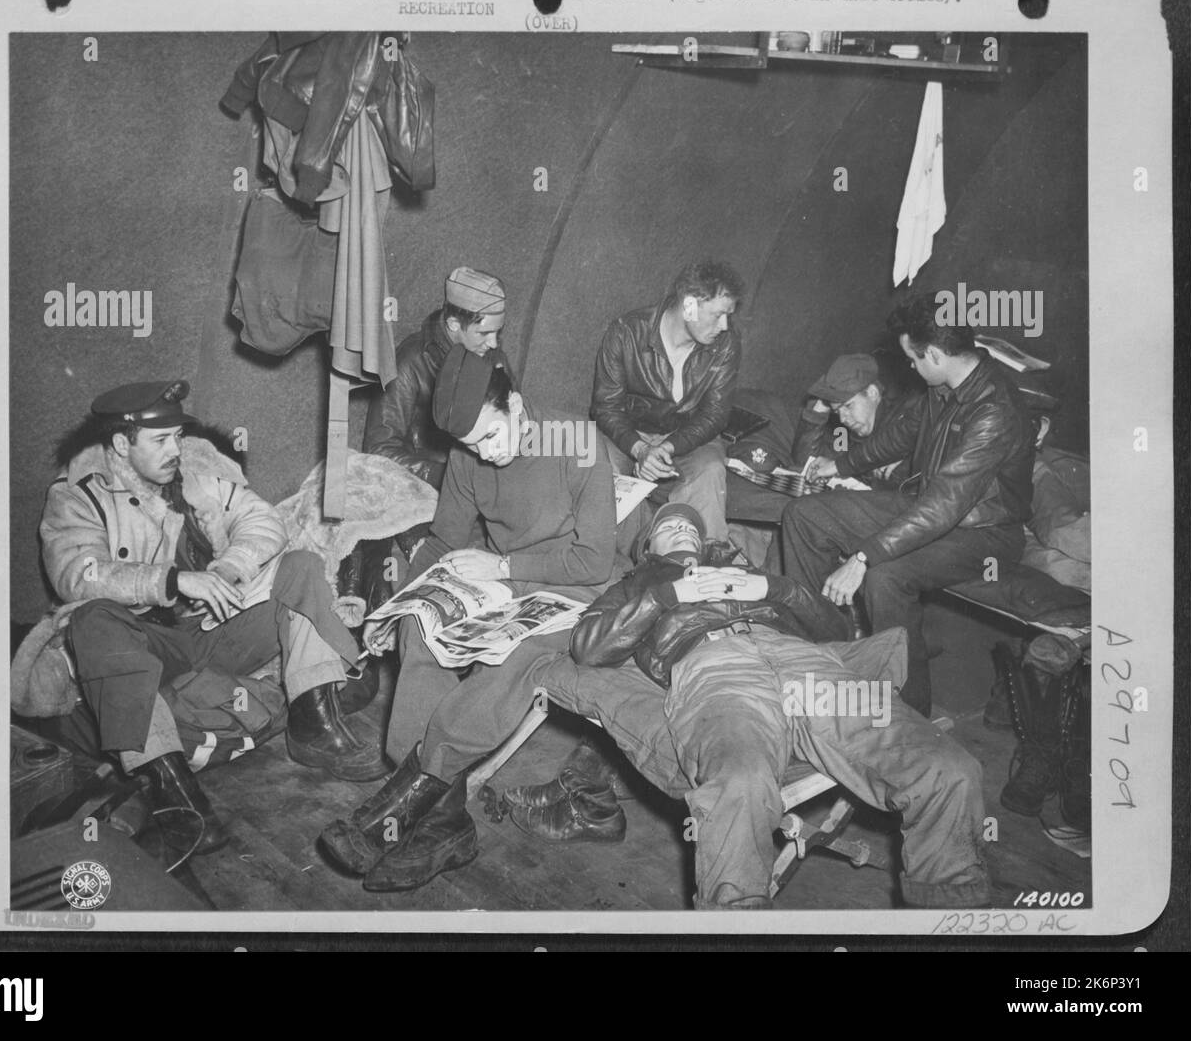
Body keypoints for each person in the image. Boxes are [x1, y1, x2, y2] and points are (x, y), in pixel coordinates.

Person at [531, 502, 991, 910]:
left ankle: (946, 921)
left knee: (948, 769)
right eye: (670, 526)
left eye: (692, 527)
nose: (684, 530)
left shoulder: (747, 571)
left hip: (807, 664)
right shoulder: (636, 584)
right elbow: (587, 647)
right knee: (739, 784)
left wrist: (772, 589)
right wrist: (671, 595)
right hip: (714, 669)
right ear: (646, 545)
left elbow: (835, 627)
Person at [319, 347, 624, 891]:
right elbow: (443, 540)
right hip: (505, 583)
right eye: (471, 444)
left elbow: (594, 560)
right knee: (421, 627)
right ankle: (444, 823)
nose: (485, 452)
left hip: (581, 591)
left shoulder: (577, 445)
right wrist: (398, 603)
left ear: (516, 404)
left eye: (491, 435)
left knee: (518, 657)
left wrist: (505, 566)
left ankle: (394, 813)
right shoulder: (470, 455)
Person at [41, 380, 390, 856]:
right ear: (121, 445)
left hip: (211, 631)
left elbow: (266, 523)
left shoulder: (195, 476)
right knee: (91, 621)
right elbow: (76, 575)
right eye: (160, 440)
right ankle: (180, 801)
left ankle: (314, 724)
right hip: (143, 645)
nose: (176, 450)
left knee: (301, 567)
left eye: (178, 437)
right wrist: (171, 582)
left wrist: (228, 567)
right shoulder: (77, 496)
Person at [780, 295, 1036, 716]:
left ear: (934, 353)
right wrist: (841, 462)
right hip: (931, 510)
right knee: (804, 516)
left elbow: (944, 505)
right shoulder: (942, 386)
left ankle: (909, 711)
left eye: (913, 359)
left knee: (885, 576)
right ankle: (825, 654)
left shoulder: (995, 411)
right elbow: (899, 437)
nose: (911, 368)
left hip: (984, 534)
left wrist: (863, 556)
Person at [338, 267, 510, 619]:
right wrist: (448, 473)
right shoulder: (409, 361)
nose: (493, 343)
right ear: (453, 326)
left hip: (481, 479)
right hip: (427, 485)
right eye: (484, 332)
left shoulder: (492, 357)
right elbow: (379, 449)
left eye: (498, 333)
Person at [591, 260, 744, 542]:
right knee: (598, 465)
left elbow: (714, 416)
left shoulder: (726, 344)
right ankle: (611, 556)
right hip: (628, 434)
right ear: (688, 306)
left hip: (687, 437)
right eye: (718, 315)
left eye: (729, 316)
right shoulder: (626, 332)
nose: (724, 326)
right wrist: (639, 449)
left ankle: (702, 563)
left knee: (710, 470)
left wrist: (666, 447)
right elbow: (606, 408)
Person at [792, 351, 918, 485]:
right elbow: (806, 464)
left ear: (872, 393)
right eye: (836, 411)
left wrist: (911, 456)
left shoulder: (906, 420)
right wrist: (818, 411)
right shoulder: (847, 435)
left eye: (848, 406)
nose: (842, 418)